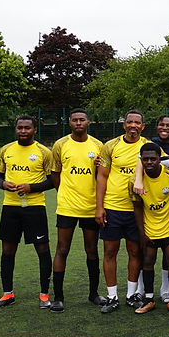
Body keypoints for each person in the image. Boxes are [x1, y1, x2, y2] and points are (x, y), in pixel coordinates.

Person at [0, 115, 55, 309]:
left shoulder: (44, 152)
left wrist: (31, 187)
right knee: (7, 250)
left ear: (34, 130)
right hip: (10, 207)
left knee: (42, 249)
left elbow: (53, 180)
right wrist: (2, 184)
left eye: (27, 128)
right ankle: (7, 293)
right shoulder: (6, 150)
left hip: (35, 207)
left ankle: (44, 295)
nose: (23, 131)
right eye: (20, 128)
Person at [49, 108, 106, 312]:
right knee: (62, 250)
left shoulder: (98, 146)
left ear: (88, 122)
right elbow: (56, 175)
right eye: (75, 120)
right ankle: (58, 297)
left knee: (91, 250)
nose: (79, 123)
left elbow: (102, 174)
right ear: (70, 123)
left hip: (91, 207)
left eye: (82, 120)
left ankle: (93, 294)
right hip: (67, 206)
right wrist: (65, 193)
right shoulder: (60, 145)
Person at [95, 110, 147, 313]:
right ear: (124, 125)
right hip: (113, 208)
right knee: (110, 252)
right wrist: (99, 207)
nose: (133, 125)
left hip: (137, 210)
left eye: (137, 123)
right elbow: (102, 177)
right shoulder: (111, 146)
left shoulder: (147, 147)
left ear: (142, 127)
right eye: (130, 122)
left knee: (135, 251)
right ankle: (112, 296)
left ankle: (131, 294)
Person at [131, 143, 169, 315]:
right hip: (150, 228)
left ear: (160, 159)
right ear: (141, 160)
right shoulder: (134, 181)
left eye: (153, 159)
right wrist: (142, 232)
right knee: (147, 262)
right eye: (145, 159)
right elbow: (137, 207)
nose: (149, 162)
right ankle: (149, 299)